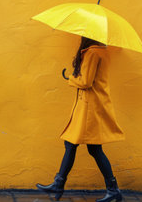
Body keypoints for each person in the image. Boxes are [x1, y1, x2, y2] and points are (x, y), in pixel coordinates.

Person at [36, 37, 125, 202]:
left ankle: (59, 184)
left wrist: (70, 78)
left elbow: (85, 81)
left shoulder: (92, 52)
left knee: (74, 144)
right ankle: (112, 190)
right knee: (90, 148)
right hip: (92, 105)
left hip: (89, 108)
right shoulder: (102, 51)